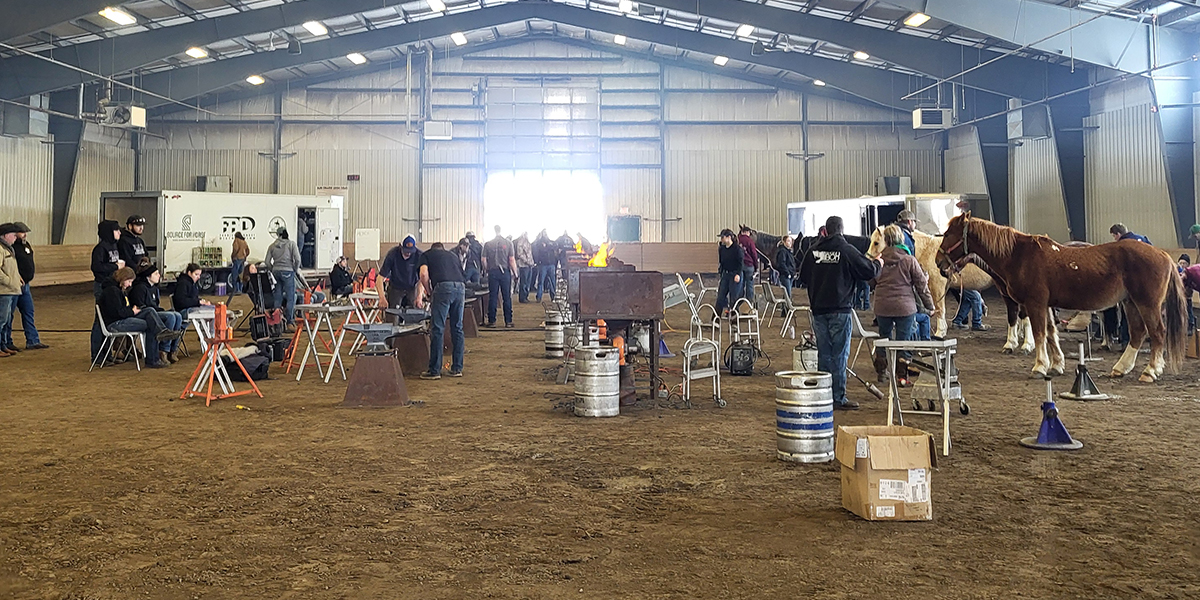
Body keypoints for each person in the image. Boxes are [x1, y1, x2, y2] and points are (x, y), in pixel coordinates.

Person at [798, 215, 883, 411]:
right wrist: (879, 263)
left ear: (826, 230)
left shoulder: (812, 251)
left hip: (818, 310)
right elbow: (868, 271)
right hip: (840, 310)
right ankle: (838, 397)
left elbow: (802, 277)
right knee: (839, 355)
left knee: (824, 354)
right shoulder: (846, 250)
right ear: (841, 230)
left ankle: (823, 395)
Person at [870, 224, 935, 384]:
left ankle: (882, 372)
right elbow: (921, 285)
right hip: (904, 307)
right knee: (903, 341)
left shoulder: (879, 261)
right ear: (901, 239)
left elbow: (871, 281)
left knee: (883, 337)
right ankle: (902, 377)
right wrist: (930, 306)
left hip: (882, 306)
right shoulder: (909, 260)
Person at [98, 267, 174, 368]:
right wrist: (132, 311)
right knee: (150, 324)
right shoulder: (112, 291)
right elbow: (118, 313)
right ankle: (152, 358)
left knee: (149, 311)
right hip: (115, 323)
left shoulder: (117, 290)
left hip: (122, 319)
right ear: (123, 278)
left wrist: (132, 311)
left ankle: (161, 331)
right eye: (129, 281)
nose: (130, 285)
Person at [418, 242, 466, 380]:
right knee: (457, 327)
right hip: (460, 287)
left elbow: (423, 274)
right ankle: (457, 368)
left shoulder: (426, 255)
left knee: (438, 328)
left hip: (443, 287)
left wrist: (428, 291)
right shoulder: (452, 255)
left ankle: (435, 370)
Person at [1102, 223, 1152, 348]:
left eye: (1114, 236)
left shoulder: (1122, 245)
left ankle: (1126, 341)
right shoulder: (1143, 238)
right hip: (1147, 283)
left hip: (1132, 282)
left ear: (1118, 234)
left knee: (1127, 313)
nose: (1114, 239)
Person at [130, 263, 184, 364]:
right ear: (148, 276)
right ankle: (163, 350)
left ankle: (173, 349)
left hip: (155, 312)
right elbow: (142, 306)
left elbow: (156, 305)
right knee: (170, 317)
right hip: (145, 314)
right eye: (156, 273)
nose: (159, 275)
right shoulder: (140, 288)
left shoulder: (154, 288)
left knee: (177, 315)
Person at [8, 222, 47, 350]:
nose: (24, 235)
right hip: (14, 285)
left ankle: (32, 340)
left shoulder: (26, 245)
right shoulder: (11, 247)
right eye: (22, 232)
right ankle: (7, 341)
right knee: (9, 315)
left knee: (28, 312)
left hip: (25, 285)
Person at [264, 228, 304, 328]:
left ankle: (277, 321)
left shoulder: (272, 246)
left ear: (278, 235)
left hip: (276, 272)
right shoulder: (291, 244)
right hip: (288, 272)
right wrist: (294, 269)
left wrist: (273, 269)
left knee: (278, 296)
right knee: (291, 297)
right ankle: (289, 321)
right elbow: (298, 259)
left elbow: (267, 262)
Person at [378, 236, 423, 316]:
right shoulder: (392, 254)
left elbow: (422, 278)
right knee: (392, 316)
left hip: (412, 288)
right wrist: (382, 298)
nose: (408, 253)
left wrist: (419, 296)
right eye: (406, 251)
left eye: (410, 251)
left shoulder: (419, 255)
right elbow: (380, 278)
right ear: (400, 246)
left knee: (413, 316)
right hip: (395, 288)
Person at [483, 225, 516, 328]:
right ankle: (508, 321)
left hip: (493, 272)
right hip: (505, 272)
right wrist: (515, 273)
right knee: (506, 297)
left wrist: (487, 269)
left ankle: (492, 321)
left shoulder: (488, 244)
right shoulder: (508, 243)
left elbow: (483, 260)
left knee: (493, 296)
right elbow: (511, 259)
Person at [0, 224, 22, 358]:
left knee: (5, 320)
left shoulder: (8, 249)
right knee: (1, 320)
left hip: (10, 290)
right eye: (13, 234)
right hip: (4, 290)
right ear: (5, 235)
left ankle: (3, 345)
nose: (15, 237)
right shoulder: (1, 250)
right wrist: (9, 281)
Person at [91, 220, 125, 299]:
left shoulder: (114, 245)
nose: (119, 232)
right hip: (102, 283)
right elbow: (96, 267)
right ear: (109, 232)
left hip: (113, 282)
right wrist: (116, 266)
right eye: (116, 230)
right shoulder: (100, 248)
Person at [716, 229, 744, 315]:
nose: (721, 239)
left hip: (735, 274)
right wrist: (721, 273)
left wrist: (738, 274)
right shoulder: (722, 249)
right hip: (725, 274)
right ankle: (715, 320)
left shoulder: (737, 249)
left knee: (733, 299)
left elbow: (741, 263)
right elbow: (721, 262)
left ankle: (734, 321)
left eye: (722, 237)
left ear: (728, 237)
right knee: (720, 297)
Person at [533, 230, 557, 302]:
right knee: (544, 281)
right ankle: (541, 297)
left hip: (548, 264)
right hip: (545, 264)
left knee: (547, 281)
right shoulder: (539, 243)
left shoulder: (550, 243)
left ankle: (550, 296)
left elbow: (555, 247)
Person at [737, 226, 758, 303]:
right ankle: (749, 304)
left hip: (739, 266)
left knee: (740, 286)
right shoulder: (750, 241)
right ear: (748, 232)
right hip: (749, 265)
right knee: (749, 285)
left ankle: (738, 304)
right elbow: (754, 254)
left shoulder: (737, 240)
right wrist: (756, 266)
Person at [514, 232, 535, 303]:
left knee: (527, 282)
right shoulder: (521, 242)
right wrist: (527, 261)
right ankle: (522, 298)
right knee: (524, 282)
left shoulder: (528, 242)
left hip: (529, 265)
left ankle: (525, 296)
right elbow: (520, 254)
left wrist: (531, 262)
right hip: (523, 265)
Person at [775, 236, 796, 304]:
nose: (790, 243)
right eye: (788, 241)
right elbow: (782, 263)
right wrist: (787, 273)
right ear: (784, 242)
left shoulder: (789, 251)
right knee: (788, 293)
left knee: (786, 293)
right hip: (785, 276)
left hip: (790, 275)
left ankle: (785, 311)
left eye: (791, 241)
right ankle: (788, 310)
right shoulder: (783, 251)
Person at [1180, 254, 1195, 332]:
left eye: (1184, 263)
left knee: (1189, 309)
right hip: (1180, 295)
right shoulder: (1178, 271)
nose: (1182, 265)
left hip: (1187, 294)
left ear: (1188, 264)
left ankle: (1191, 323)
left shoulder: (1189, 272)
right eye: (1181, 263)